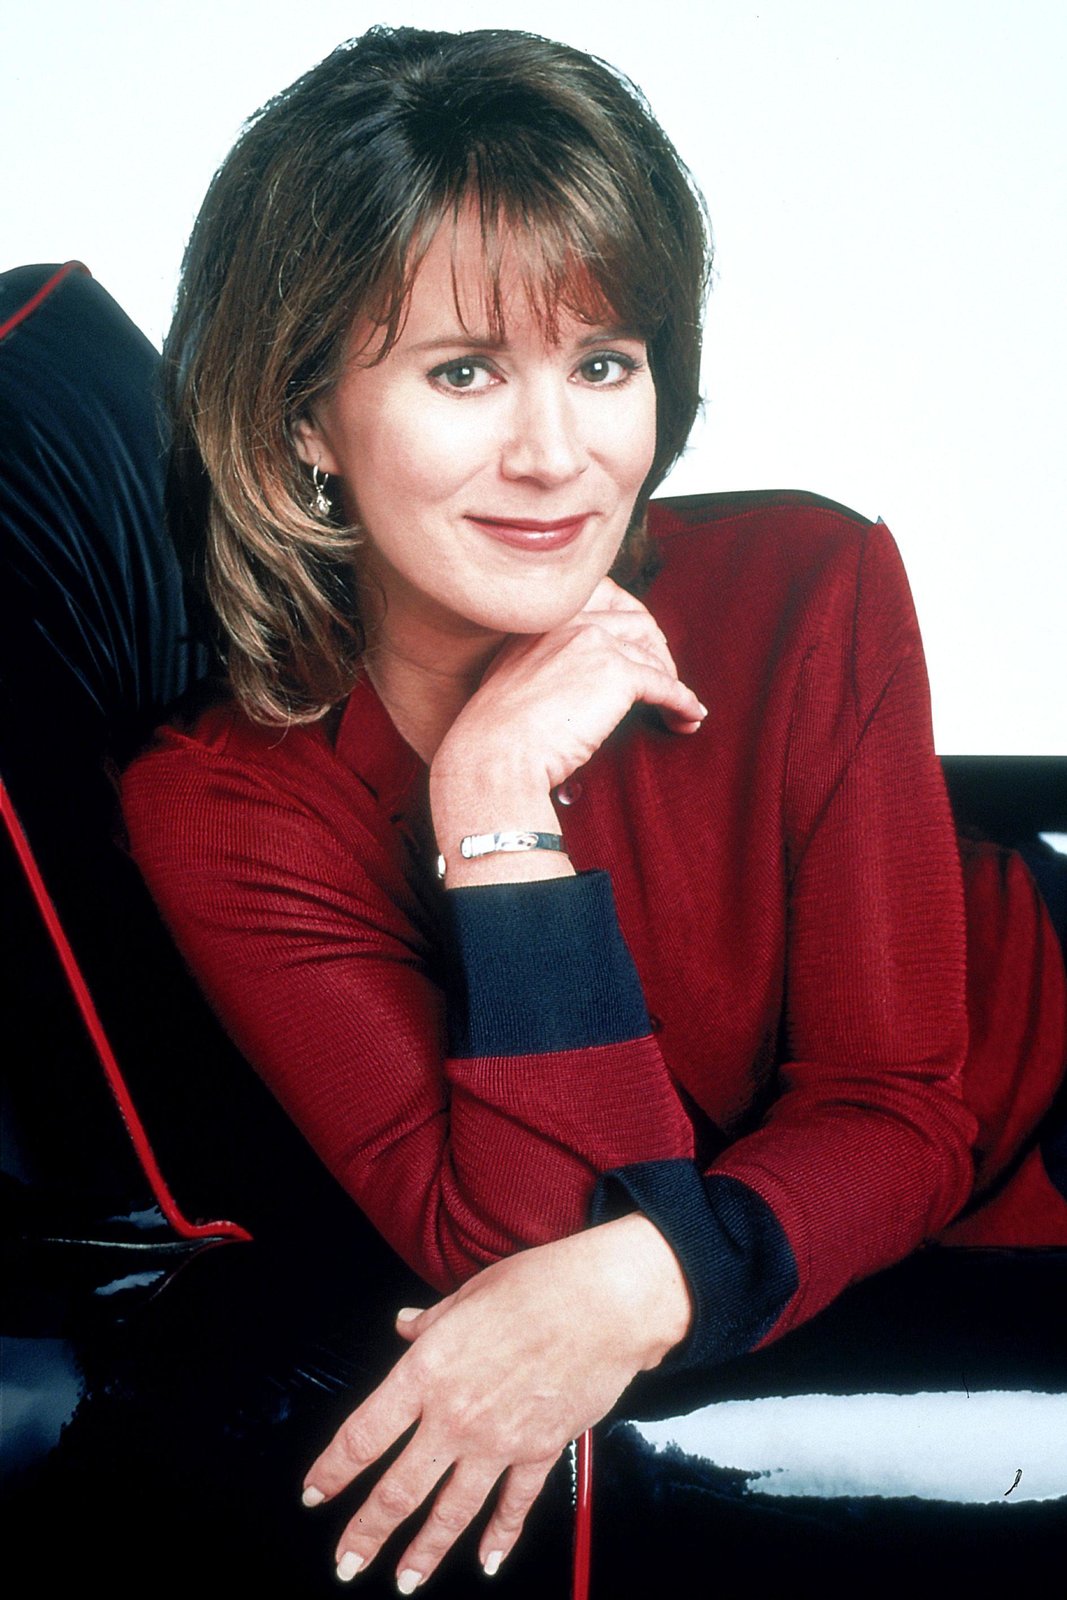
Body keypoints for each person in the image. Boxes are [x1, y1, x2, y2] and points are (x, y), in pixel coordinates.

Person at [120, 24, 1067, 1594]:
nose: (558, 456)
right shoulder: (227, 805)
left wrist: (651, 1279)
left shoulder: (806, 580)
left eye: (603, 363)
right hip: (836, 1243)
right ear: (301, 421)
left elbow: (902, 1112)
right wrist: (496, 797)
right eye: (464, 372)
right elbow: (521, 1260)